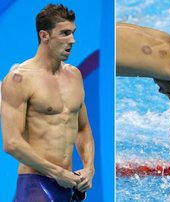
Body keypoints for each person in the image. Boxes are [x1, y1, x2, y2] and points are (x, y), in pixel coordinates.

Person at [1, 4, 94, 201]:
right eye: (65, 33)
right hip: (36, 184)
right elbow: (11, 143)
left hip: (69, 184)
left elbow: (82, 128)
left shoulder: (75, 75)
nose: (73, 40)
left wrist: (89, 167)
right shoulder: (20, 79)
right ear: (44, 36)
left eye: (73, 33)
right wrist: (57, 173)